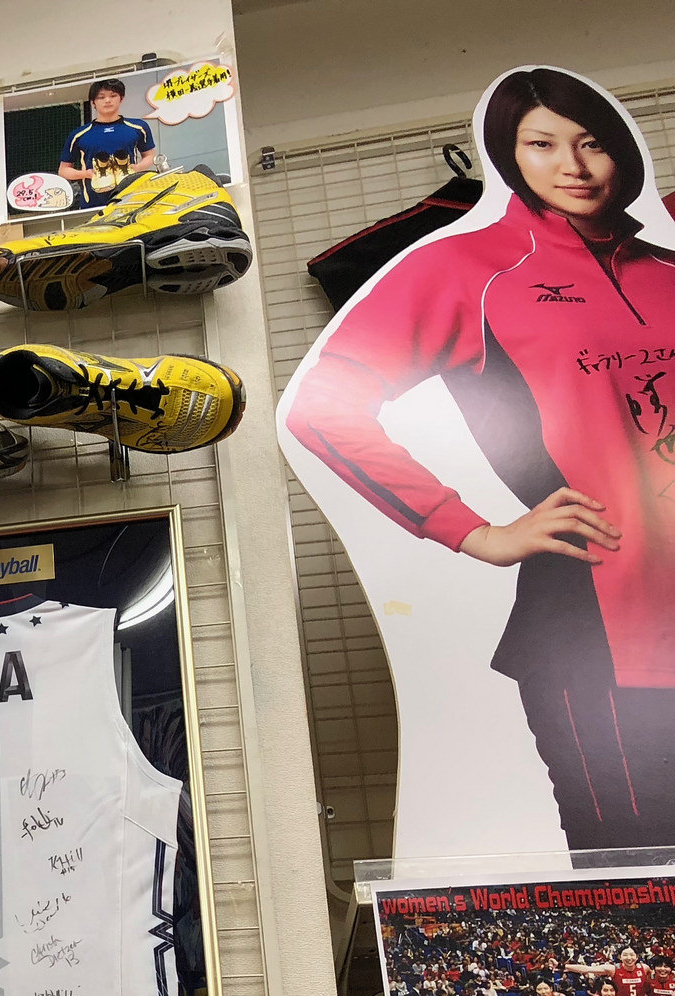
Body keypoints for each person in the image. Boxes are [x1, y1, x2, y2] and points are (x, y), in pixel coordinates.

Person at [286, 69, 675, 851]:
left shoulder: (665, 263)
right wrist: (473, 530)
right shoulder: (465, 269)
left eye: (592, 143)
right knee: (641, 884)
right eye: (543, 144)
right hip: (594, 633)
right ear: (507, 155)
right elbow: (324, 407)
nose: (574, 166)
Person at [58, 79, 157, 208]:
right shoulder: (79, 135)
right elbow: (63, 170)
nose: (108, 100)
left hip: (131, 201)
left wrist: (136, 168)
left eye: (113, 95)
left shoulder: (138, 127)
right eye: (101, 97)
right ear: (93, 102)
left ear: (121, 98)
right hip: (93, 205)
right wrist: (86, 174)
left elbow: (149, 156)